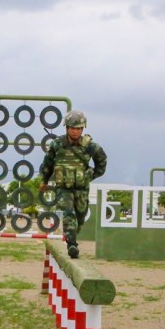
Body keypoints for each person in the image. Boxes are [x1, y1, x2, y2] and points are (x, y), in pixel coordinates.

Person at [39, 110, 107, 258]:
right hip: (63, 188)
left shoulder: (90, 146)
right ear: (67, 128)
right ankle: (72, 245)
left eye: (78, 128)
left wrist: (90, 175)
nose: (75, 131)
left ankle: (72, 237)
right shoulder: (57, 145)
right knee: (68, 213)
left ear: (82, 129)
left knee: (81, 216)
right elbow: (47, 164)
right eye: (72, 128)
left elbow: (101, 162)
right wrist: (44, 180)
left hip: (81, 188)